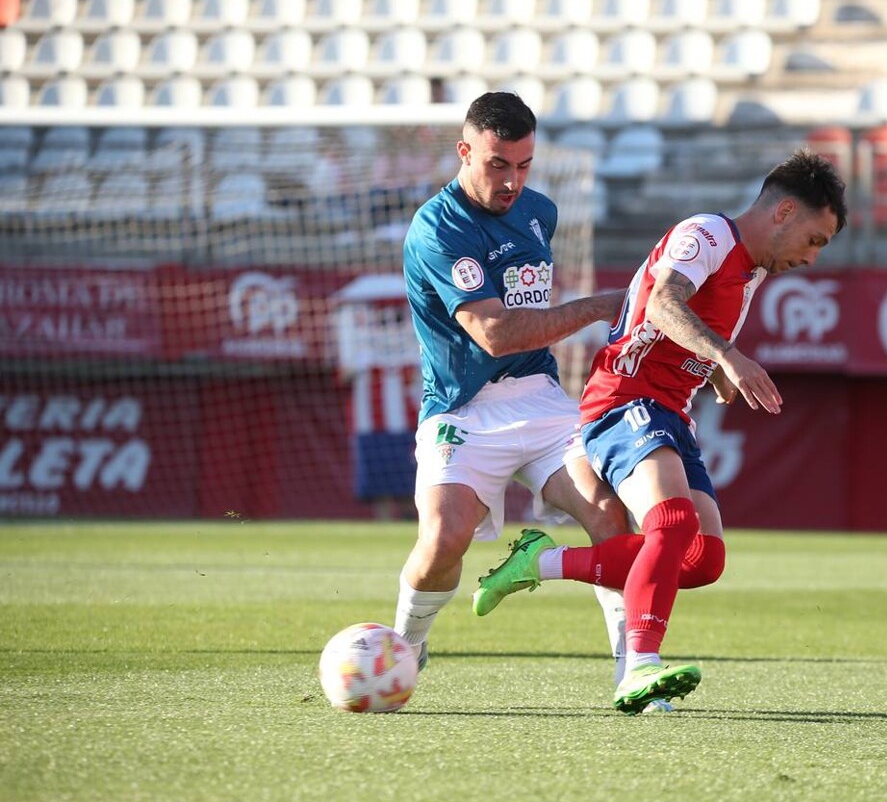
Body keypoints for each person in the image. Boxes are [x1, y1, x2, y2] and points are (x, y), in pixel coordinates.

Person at [472, 149, 848, 714]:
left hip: (670, 410)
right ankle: (638, 669)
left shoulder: (749, 270)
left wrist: (717, 371)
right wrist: (728, 356)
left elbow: (687, 336)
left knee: (702, 558)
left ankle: (538, 562)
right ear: (784, 212)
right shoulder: (707, 235)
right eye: (815, 240)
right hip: (623, 398)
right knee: (670, 523)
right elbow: (663, 305)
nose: (813, 258)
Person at [393, 91, 632, 679]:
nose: (512, 181)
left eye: (524, 165)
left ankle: (637, 668)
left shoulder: (539, 212)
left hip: (541, 399)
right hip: (461, 408)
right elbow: (496, 335)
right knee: (445, 538)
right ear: (464, 151)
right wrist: (600, 306)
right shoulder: (437, 229)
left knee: (609, 514)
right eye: (498, 164)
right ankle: (405, 644)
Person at [332, 274, 421, 521]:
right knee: (377, 489)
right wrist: (361, 363)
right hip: (369, 425)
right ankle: (385, 529)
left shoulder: (415, 344)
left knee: (411, 487)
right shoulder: (356, 348)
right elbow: (343, 377)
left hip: (409, 424)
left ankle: (415, 530)